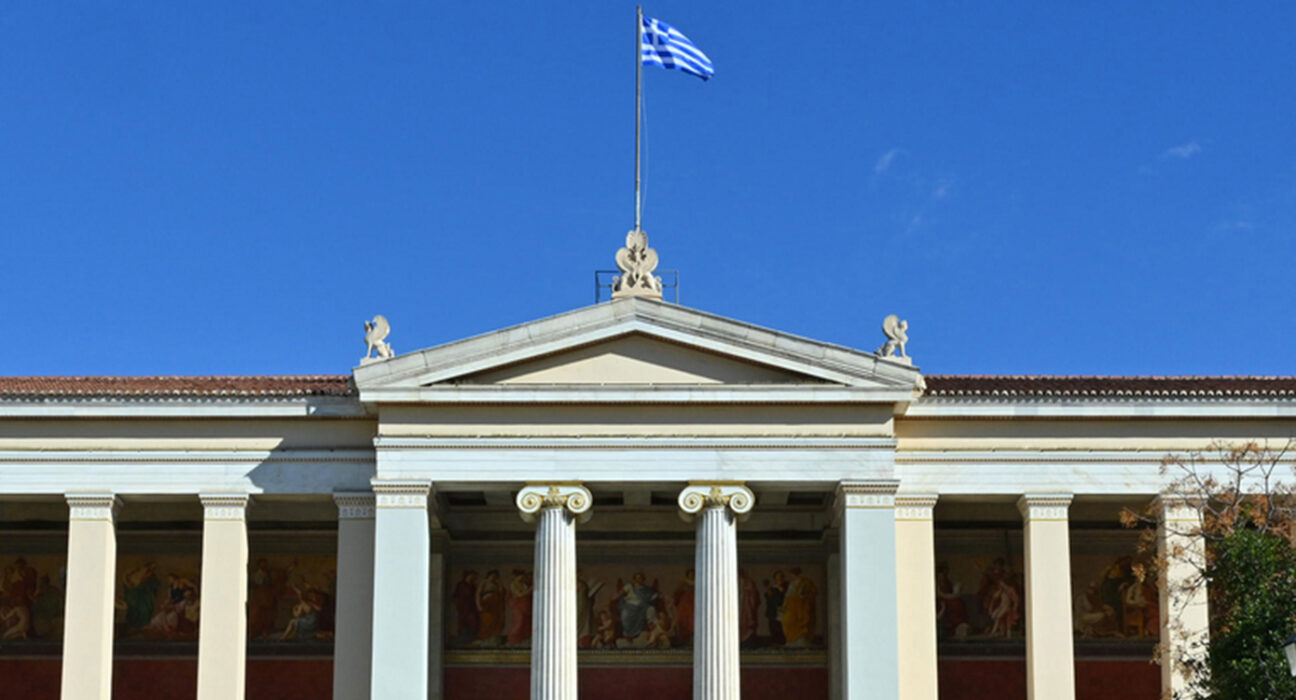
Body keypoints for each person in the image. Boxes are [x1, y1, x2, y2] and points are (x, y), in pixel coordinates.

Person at [614, 572, 659, 641]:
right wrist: (614, 597)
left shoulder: (646, 589)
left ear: (643, 579)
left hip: (643, 605)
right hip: (630, 605)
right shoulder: (629, 586)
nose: (639, 579)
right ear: (634, 579)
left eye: (640, 578)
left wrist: (658, 596)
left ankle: (653, 631)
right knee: (625, 613)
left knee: (651, 609)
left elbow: (653, 595)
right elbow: (620, 594)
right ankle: (629, 633)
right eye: (637, 578)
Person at [780, 568, 818, 646]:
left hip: (801, 606)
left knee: (800, 622)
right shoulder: (792, 583)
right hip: (791, 605)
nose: (790, 576)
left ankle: (799, 640)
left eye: (791, 574)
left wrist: (804, 596)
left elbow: (813, 592)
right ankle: (791, 640)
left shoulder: (806, 582)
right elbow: (788, 595)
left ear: (795, 574)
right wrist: (784, 605)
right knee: (786, 621)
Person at [475, 570, 505, 645]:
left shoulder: (497, 584)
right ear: (489, 576)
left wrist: (500, 584)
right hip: (487, 604)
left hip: (495, 606)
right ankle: (484, 638)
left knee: (496, 621)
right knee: (486, 620)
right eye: (493, 576)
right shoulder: (484, 582)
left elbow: (501, 592)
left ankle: (493, 638)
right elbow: (478, 594)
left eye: (496, 576)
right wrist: (479, 605)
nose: (494, 578)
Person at [506, 570, 533, 646]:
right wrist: (531, 589)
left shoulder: (524, 583)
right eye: (520, 576)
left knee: (526, 623)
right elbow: (519, 595)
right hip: (518, 606)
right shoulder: (513, 584)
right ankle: (513, 641)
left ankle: (523, 640)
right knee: (518, 622)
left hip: (525, 606)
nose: (522, 577)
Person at [452, 570, 480, 645]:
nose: (474, 578)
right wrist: (457, 604)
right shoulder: (461, 585)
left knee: (474, 621)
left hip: (471, 606)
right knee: (464, 622)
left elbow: (476, 595)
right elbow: (455, 596)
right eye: (473, 576)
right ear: (468, 575)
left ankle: (471, 638)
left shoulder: (473, 585)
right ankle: (463, 639)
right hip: (464, 607)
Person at [672, 569, 695, 645]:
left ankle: (692, 638)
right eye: (690, 574)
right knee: (682, 618)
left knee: (692, 618)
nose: (691, 575)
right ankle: (684, 639)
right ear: (687, 575)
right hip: (685, 602)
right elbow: (677, 592)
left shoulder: (698, 581)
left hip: (694, 601)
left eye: (693, 574)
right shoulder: (683, 582)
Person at [763, 571, 786, 646]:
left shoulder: (785, 587)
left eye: (781, 577)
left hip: (782, 610)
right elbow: (769, 599)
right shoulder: (772, 588)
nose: (780, 579)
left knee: (781, 626)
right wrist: (769, 594)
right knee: (773, 625)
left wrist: (781, 592)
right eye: (778, 578)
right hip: (773, 610)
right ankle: (775, 641)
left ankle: (781, 641)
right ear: (775, 579)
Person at [738, 568, 760, 644]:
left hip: (746, 605)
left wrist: (748, 591)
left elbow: (754, 594)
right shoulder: (731, 581)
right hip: (737, 606)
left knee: (746, 622)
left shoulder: (748, 582)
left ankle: (746, 641)